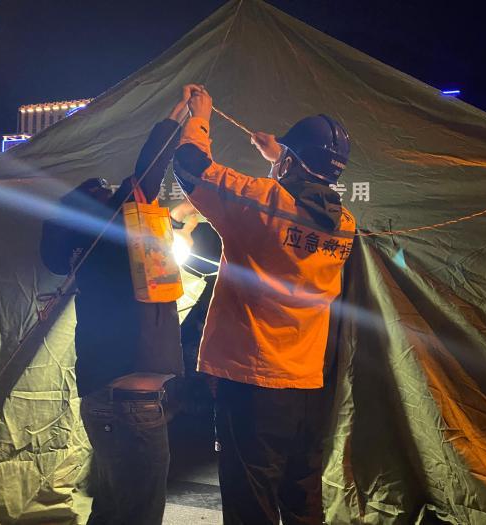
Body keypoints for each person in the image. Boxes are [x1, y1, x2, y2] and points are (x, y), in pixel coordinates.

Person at [173, 88, 356, 525]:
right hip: (309, 387)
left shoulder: (261, 202)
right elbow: (292, 209)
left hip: (254, 385)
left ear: (292, 162)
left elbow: (190, 166)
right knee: (302, 499)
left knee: (249, 503)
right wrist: (280, 159)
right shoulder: (345, 224)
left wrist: (199, 117)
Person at [42, 85, 201, 525]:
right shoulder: (109, 234)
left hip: (109, 400)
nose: (118, 196)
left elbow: (157, 213)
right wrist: (179, 116)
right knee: (138, 513)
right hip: (130, 406)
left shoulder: (96, 253)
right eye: (108, 194)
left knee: (113, 508)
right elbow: (146, 173)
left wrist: (181, 217)